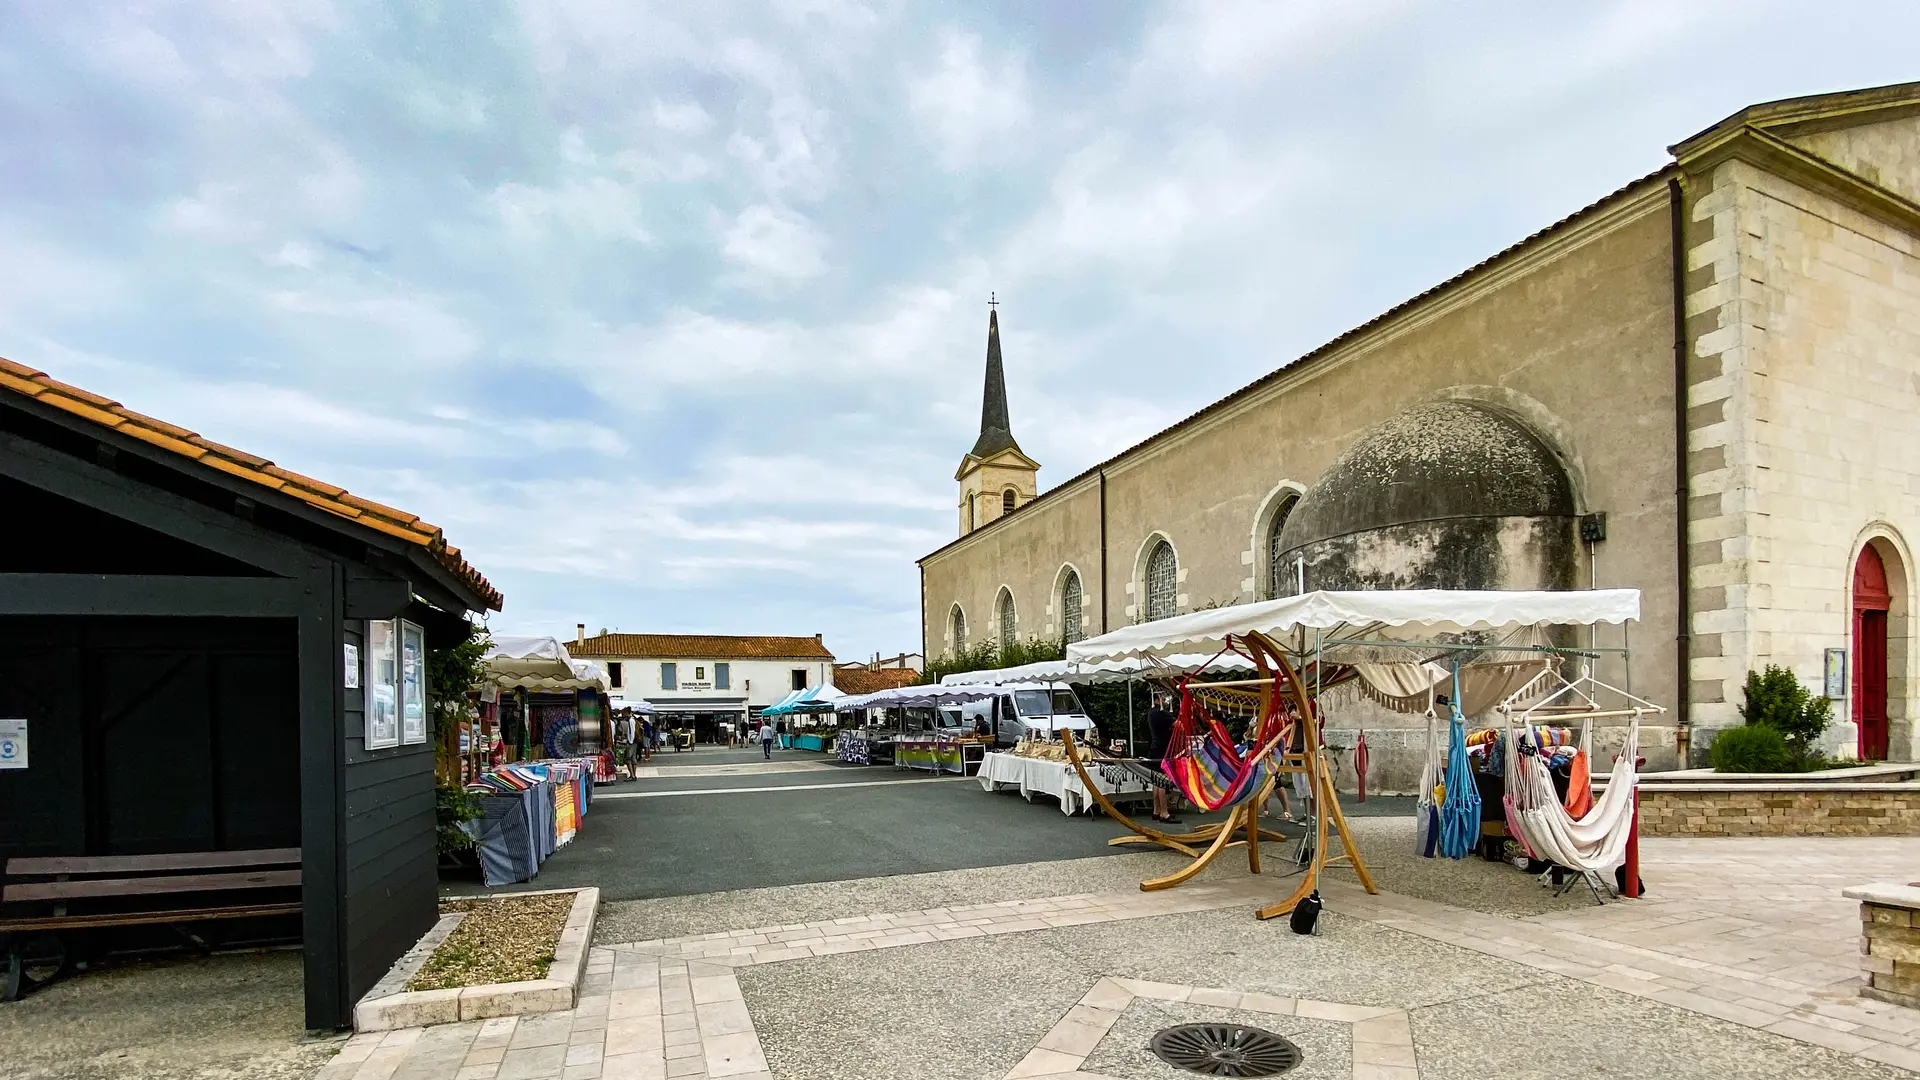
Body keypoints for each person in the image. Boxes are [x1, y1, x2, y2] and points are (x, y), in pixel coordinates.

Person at [1146, 690, 1182, 825]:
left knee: (1156, 781)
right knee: (1162, 781)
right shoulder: (1161, 712)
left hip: (1154, 748)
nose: (1166, 700)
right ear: (1157, 699)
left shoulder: (1151, 712)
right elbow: (1180, 726)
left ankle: (1156, 810)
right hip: (1163, 750)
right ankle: (1164, 812)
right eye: (1163, 697)